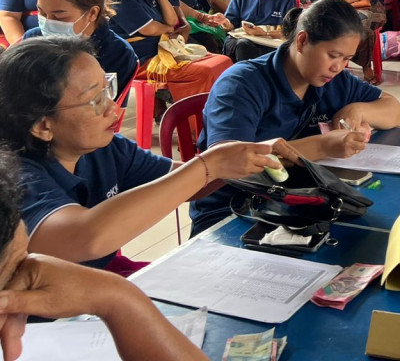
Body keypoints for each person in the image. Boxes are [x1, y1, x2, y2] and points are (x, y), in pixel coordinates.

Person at [0, 37, 294, 271]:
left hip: (97, 276)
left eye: (108, 88)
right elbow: (87, 237)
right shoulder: (15, 177)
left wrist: (241, 159)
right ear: (43, 125)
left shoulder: (106, 149)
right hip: (39, 312)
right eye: (96, 100)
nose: (113, 108)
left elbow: (188, 183)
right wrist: (209, 164)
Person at [191, 0, 400, 234]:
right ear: (302, 41)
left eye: (346, 59)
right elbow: (229, 163)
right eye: (333, 55)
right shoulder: (242, 84)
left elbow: (395, 111)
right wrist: (322, 146)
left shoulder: (335, 81)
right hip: (233, 211)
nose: (338, 67)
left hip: (296, 203)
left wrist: (358, 109)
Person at [0, 149, 209, 361]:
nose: (25, 273)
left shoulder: (107, 149)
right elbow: (87, 237)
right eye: (15, 269)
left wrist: (112, 296)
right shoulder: (24, 175)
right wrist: (116, 298)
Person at [106, 0, 233, 104]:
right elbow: (149, 28)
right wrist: (169, 29)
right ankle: (193, 116)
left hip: (164, 49)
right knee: (206, 70)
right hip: (144, 58)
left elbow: (172, 20)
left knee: (223, 61)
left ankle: (213, 113)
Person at [21, 0, 138, 101]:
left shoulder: (118, 53)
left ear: (92, 13)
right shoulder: (32, 40)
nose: (47, 22)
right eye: (42, 13)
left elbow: (106, 108)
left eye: (59, 16)